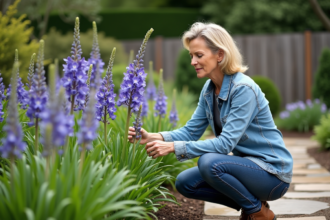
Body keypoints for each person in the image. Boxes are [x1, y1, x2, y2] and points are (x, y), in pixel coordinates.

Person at [128, 22, 292, 220]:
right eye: (191, 56)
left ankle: (258, 213)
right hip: (249, 168)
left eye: (199, 55)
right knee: (185, 182)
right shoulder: (209, 89)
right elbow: (191, 131)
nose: (193, 62)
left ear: (220, 55)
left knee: (209, 163)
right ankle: (254, 206)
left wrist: (173, 147)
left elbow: (224, 145)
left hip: (272, 174)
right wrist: (155, 136)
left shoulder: (243, 89)